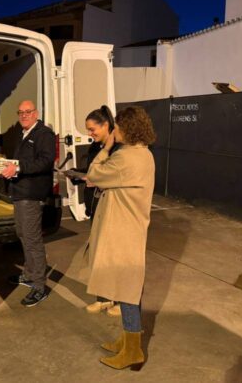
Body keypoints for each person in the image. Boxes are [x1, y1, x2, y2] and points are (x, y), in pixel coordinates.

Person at [85, 106, 156, 371]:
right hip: (131, 229)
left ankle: (133, 351)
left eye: (117, 126)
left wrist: (106, 148)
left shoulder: (127, 158)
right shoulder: (144, 154)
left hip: (124, 230)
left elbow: (93, 174)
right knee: (129, 288)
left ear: (128, 128)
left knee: (127, 290)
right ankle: (128, 341)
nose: (114, 130)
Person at [1, 100, 55, 307]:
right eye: (20, 112)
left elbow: (45, 161)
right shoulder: (25, 133)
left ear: (36, 113)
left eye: (28, 112)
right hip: (20, 192)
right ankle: (29, 274)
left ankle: (40, 287)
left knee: (32, 240)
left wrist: (18, 168)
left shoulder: (44, 134)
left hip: (31, 194)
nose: (24, 115)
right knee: (23, 234)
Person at [78, 106, 121, 316]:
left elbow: (114, 178)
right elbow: (93, 173)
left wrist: (96, 179)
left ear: (106, 126)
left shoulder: (118, 149)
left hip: (111, 212)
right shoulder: (96, 147)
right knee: (98, 257)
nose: (90, 134)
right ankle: (103, 298)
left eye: (92, 129)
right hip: (95, 208)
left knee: (115, 258)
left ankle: (121, 301)